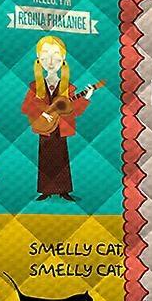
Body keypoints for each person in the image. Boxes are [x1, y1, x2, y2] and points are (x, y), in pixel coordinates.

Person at [21, 35, 94, 202]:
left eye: (56, 56)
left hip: (61, 129)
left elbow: (74, 111)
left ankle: (63, 190)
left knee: (61, 159)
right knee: (45, 159)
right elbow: (25, 107)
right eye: (45, 56)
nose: (51, 61)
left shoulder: (68, 88)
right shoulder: (35, 87)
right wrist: (43, 112)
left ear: (63, 59)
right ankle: (45, 190)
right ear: (38, 58)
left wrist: (86, 97)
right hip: (45, 129)